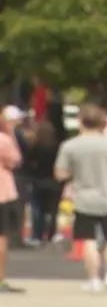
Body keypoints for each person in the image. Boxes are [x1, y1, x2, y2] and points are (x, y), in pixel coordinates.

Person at [54, 104, 107, 293]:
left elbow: (60, 173)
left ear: (81, 122)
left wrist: (75, 174)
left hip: (83, 198)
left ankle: (94, 279)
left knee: (88, 239)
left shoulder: (70, 146)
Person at [25, 120, 64, 244]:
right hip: (54, 181)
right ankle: (52, 234)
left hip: (38, 180)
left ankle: (37, 235)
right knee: (53, 210)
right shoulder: (57, 147)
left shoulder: (36, 147)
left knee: (38, 210)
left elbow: (28, 162)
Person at [0, 113, 26, 293]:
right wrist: (11, 134)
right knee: (1, 237)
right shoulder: (4, 140)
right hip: (2, 193)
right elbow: (15, 161)